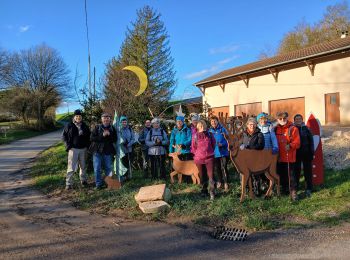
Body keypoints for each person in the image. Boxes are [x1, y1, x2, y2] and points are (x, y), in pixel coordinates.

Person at [62, 109, 91, 190]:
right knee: (71, 167)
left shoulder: (85, 126)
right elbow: (64, 137)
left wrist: (87, 146)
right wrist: (68, 146)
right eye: (76, 116)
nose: (78, 117)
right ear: (74, 117)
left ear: (81, 117)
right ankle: (68, 183)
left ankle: (83, 180)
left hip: (83, 149)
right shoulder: (69, 125)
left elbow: (89, 137)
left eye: (79, 116)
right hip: (73, 149)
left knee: (83, 166)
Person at [275, 111, 300, 201]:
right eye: (280, 118)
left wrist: (290, 145)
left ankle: (293, 192)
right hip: (279, 157)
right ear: (277, 119)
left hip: (289, 156)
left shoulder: (293, 128)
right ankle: (284, 189)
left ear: (287, 118)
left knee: (291, 176)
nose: (282, 120)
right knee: (281, 175)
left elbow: (297, 143)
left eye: (284, 118)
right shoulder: (275, 129)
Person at [89, 113, 117, 189]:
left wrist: (109, 134)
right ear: (102, 119)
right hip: (97, 151)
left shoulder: (112, 128)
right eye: (104, 118)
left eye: (107, 118)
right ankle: (98, 185)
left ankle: (110, 184)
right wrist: (102, 135)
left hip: (107, 152)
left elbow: (114, 139)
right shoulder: (97, 127)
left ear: (109, 120)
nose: (106, 120)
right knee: (97, 168)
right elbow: (91, 138)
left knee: (108, 168)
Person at [192, 120, 216, 200]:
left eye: (203, 126)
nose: (202, 127)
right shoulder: (195, 136)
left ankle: (212, 191)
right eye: (200, 126)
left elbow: (213, 144)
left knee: (211, 175)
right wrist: (198, 154)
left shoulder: (210, 135)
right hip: (199, 159)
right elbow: (193, 147)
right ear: (198, 127)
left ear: (205, 126)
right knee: (202, 176)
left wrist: (209, 152)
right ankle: (204, 190)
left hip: (209, 158)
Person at [294, 114, 314, 197]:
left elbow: (311, 141)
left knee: (307, 171)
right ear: (294, 120)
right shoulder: (293, 129)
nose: (298, 120)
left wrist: (311, 153)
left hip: (306, 153)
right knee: (296, 171)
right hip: (296, 153)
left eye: (300, 119)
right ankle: (296, 187)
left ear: (302, 120)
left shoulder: (307, 129)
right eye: (296, 119)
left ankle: (308, 188)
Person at [209, 116, 230, 191]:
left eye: (215, 121)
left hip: (223, 152)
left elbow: (228, 139)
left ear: (217, 121)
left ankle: (226, 183)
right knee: (217, 168)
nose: (213, 123)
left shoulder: (222, 129)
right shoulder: (209, 131)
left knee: (223, 167)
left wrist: (223, 144)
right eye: (212, 121)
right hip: (214, 153)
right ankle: (219, 182)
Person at [119, 116, 136, 180]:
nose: (124, 123)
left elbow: (133, 138)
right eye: (123, 122)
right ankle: (124, 176)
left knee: (129, 162)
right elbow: (118, 139)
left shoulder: (130, 129)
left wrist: (129, 144)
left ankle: (129, 175)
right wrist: (123, 142)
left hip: (129, 148)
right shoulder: (119, 130)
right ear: (120, 122)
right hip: (122, 150)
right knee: (124, 163)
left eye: (125, 122)